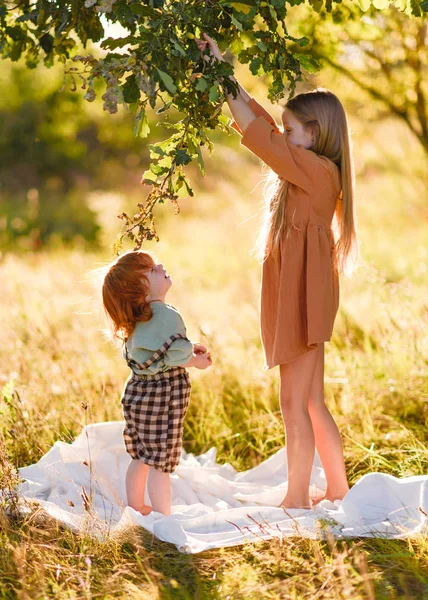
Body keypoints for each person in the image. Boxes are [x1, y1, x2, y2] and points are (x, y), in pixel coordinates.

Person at [196, 33, 358, 509]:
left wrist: (220, 75)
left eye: (293, 132)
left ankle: (296, 497)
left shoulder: (315, 170)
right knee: (310, 401)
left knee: (294, 402)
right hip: (303, 290)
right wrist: (222, 70)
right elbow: (263, 125)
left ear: (315, 133)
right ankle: (337, 488)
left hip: (303, 295)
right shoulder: (310, 164)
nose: (285, 138)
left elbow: (263, 138)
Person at [102, 251, 212, 515]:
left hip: (138, 394)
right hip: (163, 397)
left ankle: (136, 506)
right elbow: (176, 354)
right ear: (140, 291)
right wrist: (197, 361)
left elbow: (155, 352)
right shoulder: (164, 315)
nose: (160, 265)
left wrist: (186, 348)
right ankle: (164, 517)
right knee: (161, 462)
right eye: (151, 270)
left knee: (141, 455)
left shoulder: (138, 319)